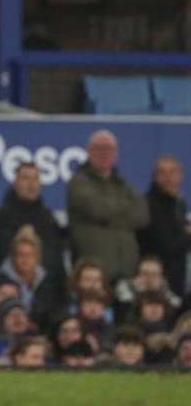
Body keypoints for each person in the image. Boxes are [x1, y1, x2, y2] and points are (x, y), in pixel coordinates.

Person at [67, 130, 150, 281]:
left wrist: (109, 217)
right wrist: (124, 212)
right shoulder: (79, 181)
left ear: (116, 153)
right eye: (98, 148)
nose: (103, 153)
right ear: (88, 151)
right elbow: (96, 209)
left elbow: (142, 215)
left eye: (108, 149)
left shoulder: (122, 182)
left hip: (126, 271)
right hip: (95, 274)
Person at [0, 162, 66, 274]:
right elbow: (5, 256)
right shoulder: (3, 217)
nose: (31, 183)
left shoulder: (47, 216)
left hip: (53, 285)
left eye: (35, 178)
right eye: (26, 178)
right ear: (15, 182)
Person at [0, 226, 65, 330]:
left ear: (37, 257)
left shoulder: (49, 282)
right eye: (21, 255)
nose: (25, 260)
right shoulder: (2, 284)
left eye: (30, 255)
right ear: (13, 257)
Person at [138, 155, 189, 296]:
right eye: (162, 172)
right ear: (154, 176)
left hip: (178, 271)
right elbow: (164, 243)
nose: (167, 177)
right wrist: (187, 235)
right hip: (156, 276)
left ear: (181, 175)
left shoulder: (179, 202)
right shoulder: (149, 204)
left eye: (172, 172)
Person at [113, 255, 182, 325]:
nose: (150, 278)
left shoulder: (172, 303)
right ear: (136, 277)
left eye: (155, 274)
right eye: (145, 273)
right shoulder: (124, 301)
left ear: (162, 279)